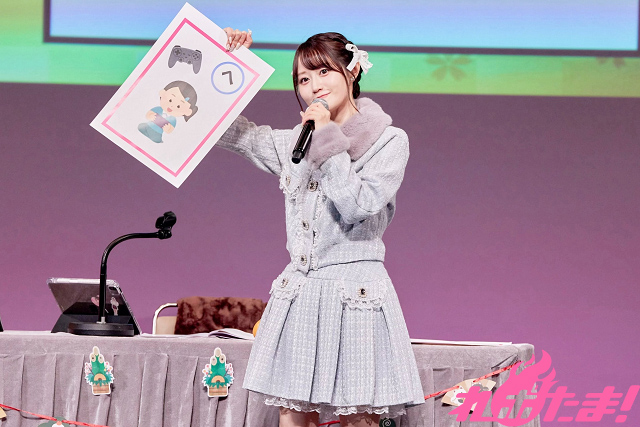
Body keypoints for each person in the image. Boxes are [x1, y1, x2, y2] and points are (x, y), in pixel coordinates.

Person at [218, 29, 424, 427]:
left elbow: (357, 205)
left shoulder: (389, 141)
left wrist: (327, 136)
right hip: (301, 293)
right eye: (303, 78)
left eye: (323, 72)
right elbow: (239, 135)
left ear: (353, 70)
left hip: (356, 295)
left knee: (358, 416)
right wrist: (224, 60)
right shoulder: (297, 141)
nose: (313, 85)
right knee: (292, 413)